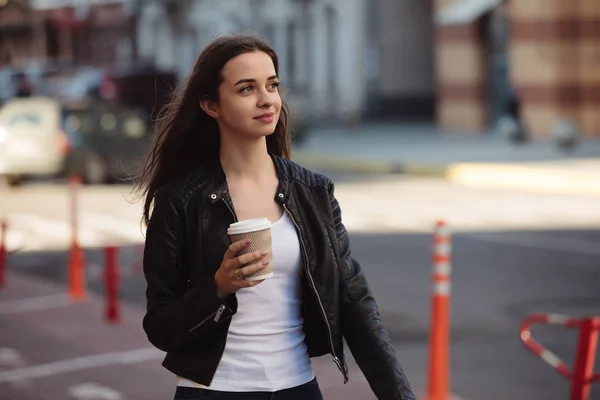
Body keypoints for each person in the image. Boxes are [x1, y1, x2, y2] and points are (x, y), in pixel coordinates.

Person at [135, 34, 415, 400]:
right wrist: (219, 286)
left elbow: (354, 302)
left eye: (272, 85)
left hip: (296, 386)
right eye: (246, 89)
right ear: (211, 105)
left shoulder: (313, 192)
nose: (267, 99)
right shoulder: (182, 201)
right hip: (214, 390)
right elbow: (161, 326)